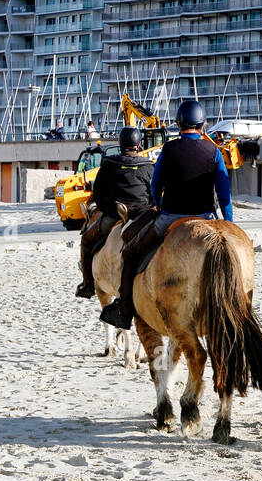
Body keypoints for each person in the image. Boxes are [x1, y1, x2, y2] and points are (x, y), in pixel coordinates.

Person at [99, 99, 233, 330]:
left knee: (131, 252)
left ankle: (124, 310)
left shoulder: (169, 149)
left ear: (178, 123)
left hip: (171, 217)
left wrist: (160, 205)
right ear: (202, 124)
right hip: (206, 217)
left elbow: (155, 185)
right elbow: (224, 192)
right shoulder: (214, 151)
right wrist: (228, 223)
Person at [75, 126, 153, 299]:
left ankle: (87, 284)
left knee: (86, 239)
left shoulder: (109, 164)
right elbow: (153, 194)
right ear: (138, 145)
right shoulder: (148, 166)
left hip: (113, 216)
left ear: (121, 145)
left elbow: (99, 194)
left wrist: (105, 207)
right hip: (141, 217)